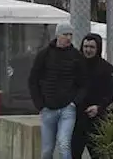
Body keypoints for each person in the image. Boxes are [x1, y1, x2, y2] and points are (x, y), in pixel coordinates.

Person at [29, 22, 86, 159]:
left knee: (64, 144)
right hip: (48, 108)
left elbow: (84, 83)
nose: (68, 38)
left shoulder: (76, 56)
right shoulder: (44, 55)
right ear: (58, 35)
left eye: (70, 35)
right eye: (65, 34)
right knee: (47, 150)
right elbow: (33, 80)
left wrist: (74, 102)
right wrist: (40, 105)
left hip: (67, 108)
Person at [70, 33, 113, 159]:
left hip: (96, 120)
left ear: (98, 49)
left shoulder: (106, 68)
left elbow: (110, 93)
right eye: (85, 46)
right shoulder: (75, 66)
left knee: (98, 154)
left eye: (91, 47)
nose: (88, 50)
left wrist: (98, 107)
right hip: (76, 119)